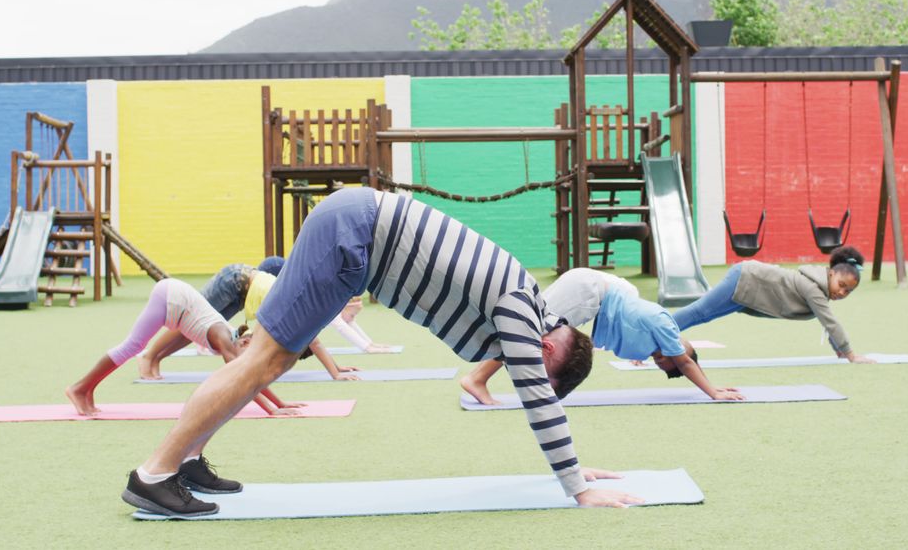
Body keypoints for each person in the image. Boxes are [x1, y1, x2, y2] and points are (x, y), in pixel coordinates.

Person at [120, 187, 643, 517]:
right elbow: (539, 402)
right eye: (535, 365)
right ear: (550, 344)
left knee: (267, 360)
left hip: (354, 235)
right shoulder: (521, 311)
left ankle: (186, 462)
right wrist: (576, 484)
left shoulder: (525, 302)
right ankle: (155, 473)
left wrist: (574, 468)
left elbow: (539, 395)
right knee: (264, 360)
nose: (519, 367)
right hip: (353, 236)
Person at [460, 268, 744, 405]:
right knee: (528, 330)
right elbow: (685, 362)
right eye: (662, 358)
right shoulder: (667, 328)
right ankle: (477, 379)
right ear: (680, 348)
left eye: (656, 361)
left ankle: (487, 378)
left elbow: (671, 355)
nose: (656, 357)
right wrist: (713, 391)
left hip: (592, 293)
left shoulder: (652, 334)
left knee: (529, 331)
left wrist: (645, 356)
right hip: (589, 291)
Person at [65, 278, 302, 418]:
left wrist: (280, 403)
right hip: (170, 297)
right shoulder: (224, 338)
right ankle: (79, 388)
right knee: (133, 345)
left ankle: (87, 390)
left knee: (133, 345)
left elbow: (251, 376)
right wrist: (271, 410)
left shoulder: (232, 339)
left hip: (177, 306)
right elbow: (244, 381)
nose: (248, 360)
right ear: (245, 342)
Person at [136, 263, 361, 382]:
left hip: (240, 293)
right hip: (234, 280)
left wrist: (337, 367)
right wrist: (335, 372)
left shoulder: (299, 311)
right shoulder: (299, 308)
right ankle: (149, 356)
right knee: (187, 318)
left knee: (194, 329)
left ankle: (158, 358)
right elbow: (316, 342)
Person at [672, 246, 874, 364]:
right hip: (746, 278)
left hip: (748, 287)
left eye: (848, 291)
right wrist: (850, 355)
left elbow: (825, 323)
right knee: (699, 312)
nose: (841, 292)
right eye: (841, 285)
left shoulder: (818, 289)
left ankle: (653, 334)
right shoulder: (813, 288)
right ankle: (648, 336)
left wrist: (837, 350)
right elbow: (830, 322)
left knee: (704, 315)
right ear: (830, 274)